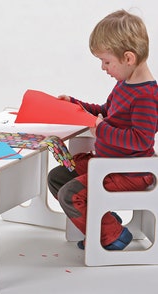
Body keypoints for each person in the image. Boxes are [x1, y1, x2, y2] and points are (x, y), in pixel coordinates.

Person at [48, 9, 158, 250]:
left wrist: (102, 130)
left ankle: (114, 236)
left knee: (71, 194)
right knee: (57, 178)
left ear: (128, 58)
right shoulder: (124, 85)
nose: (103, 68)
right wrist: (75, 104)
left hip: (130, 172)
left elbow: (140, 140)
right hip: (109, 163)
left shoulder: (146, 96)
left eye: (106, 62)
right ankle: (105, 221)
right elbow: (105, 111)